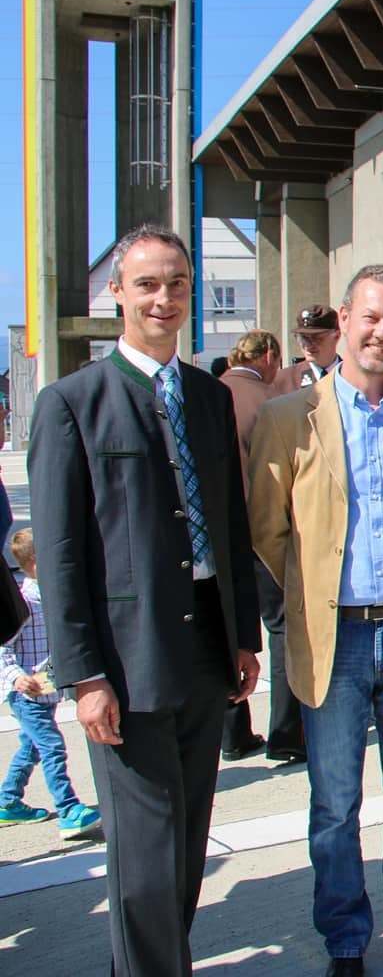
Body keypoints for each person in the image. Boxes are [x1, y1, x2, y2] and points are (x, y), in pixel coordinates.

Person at [28, 224, 261, 977]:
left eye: (177, 284)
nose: (164, 298)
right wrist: (84, 675)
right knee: (144, 855)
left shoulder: (207, 397)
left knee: (186, 840)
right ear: (118, 294)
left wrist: (244, 637)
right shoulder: (72, 403)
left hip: (205, 652)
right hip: (126, 664)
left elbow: (230, 521)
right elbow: (61, 554)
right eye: (148, 284)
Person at [249, 264, 383, 977]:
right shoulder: (288, 418)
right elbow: (268, 530)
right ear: (343, 319)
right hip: (333, 637)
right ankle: (345, 941)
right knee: (335, 805)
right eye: (371, 317)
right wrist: (312, 594)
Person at [220, 329, 304, 763]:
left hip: (219, 535)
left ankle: (232, 733)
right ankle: (286, 733)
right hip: (262, 530)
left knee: (226, 632)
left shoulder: (210, 394)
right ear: (269, 356)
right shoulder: (268, 401)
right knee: (282, 628)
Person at [0, 528, 104, 837]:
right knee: (51, 746)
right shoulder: (25, 603)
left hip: (47, 692)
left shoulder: (53, 597)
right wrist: (16, 677)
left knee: (32, 747)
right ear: (35, 563)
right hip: (26, 696)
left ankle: (8, 801)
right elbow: (4, 648)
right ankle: (68, 809)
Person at [271, 304, 341, 394]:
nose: (309, 345)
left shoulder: (353, 376)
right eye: (303, 338)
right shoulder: (283, 381)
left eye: (317, 338)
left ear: (336, 336)